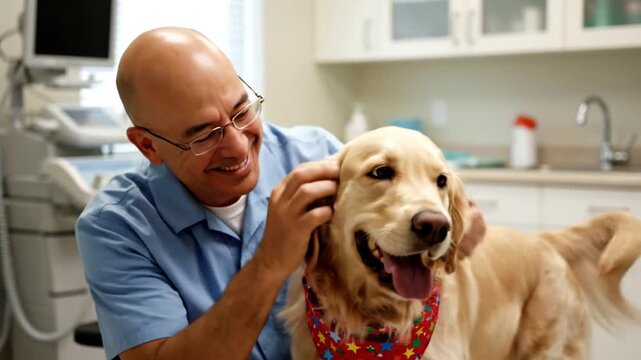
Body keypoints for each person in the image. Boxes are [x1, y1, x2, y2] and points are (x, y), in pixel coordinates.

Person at [75, 27, 486, 360]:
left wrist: (453, 229)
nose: (237, 147)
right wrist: (271, 261)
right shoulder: (115, 229)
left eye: (241, 111)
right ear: (148, 146)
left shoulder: (318, 157)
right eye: (204, 135)